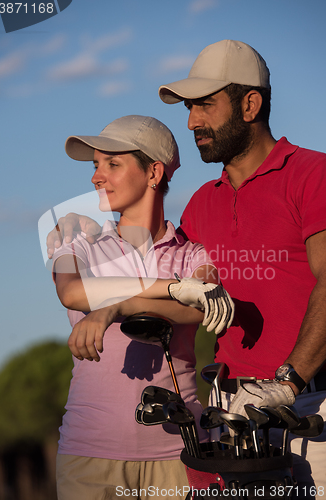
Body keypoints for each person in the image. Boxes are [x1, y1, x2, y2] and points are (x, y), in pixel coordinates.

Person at [158, 40, 326, 496]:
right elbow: (176, 295)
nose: (192, 121)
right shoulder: (199, 203)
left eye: (206, 105)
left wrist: (289, 382)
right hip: (230, 409)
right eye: (190, 108)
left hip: (311, 401)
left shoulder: (313, 173)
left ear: (250, 104)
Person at [50, 114, 234, 500]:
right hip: (89, 457)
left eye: (112, 164)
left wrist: (117, 307)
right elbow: (72, 292)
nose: (96, 177)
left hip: (181, 454)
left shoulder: (193, 254)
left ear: (153, 171)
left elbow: (203, 309)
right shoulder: (76, 244)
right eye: (96, 165)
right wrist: (172, 290)